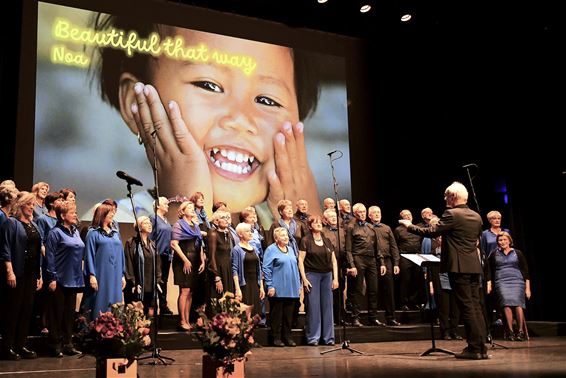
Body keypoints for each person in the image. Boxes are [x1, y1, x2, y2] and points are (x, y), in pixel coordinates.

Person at [91, 15, 322, 225]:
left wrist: (309, 219)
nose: (240, 119)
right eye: (209, 86)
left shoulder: (281, 227)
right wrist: (183, 207)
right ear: (136, 104)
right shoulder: (113, 219)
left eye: (267, 100)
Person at [399, 182, 486, 360]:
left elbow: (431, 231)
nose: (445, 199)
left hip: (459, 267)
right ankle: (481, 347)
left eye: (446, 196)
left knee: (467, 307)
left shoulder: (452, 214)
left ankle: (474, 348)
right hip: (474, 266)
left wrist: (409, 226)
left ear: (453, 197)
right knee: (475, 307)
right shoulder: (476, 216)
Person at [0, 192, 43, 360]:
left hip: (31, 273)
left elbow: (37, 251)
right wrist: (9, 271)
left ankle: (21, 344)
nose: (32, 207)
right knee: (13, 310)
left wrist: (39, 274)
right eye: (29, 204)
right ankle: (7, 346)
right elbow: (5, 248)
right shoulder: (12, 223)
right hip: (17, 273)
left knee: (26, 310)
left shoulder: (34, 225)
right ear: (20, 206)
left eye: (33, 204)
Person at [44, 202, 84, 357]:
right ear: (62, 216)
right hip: (59, 279)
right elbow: (50, 256)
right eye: (72, 212)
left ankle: (68, 343)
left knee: (69, 314)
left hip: (73, 279)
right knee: (56, 314)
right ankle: (55, 344)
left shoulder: (75, 231)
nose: (75, 214)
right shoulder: (55, 233)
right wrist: (52, 277)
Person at [298, 216, 338, 345]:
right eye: (315, 223)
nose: (318, 224)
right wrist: (304, 279)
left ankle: (328, 338)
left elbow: (334, 261)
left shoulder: (326, 240)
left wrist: (335, 278)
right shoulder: (306, 240)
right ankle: (313, 338)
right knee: (313, 306)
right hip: (312, 275)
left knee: (327, 307)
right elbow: (300, 261)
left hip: (327, 275)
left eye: (320, 222)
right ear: (310, 226)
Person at [83, 203, 126, 320]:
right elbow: (89, 255)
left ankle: (116, 331)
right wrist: (92, 275)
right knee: (100, 301)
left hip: (116, 274)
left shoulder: (115, 233)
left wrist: (122, 275)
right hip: (101, 274)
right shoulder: (93, 233)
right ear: (102, 215)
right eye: (110, 212)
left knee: (116, 304)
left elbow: (121, 254)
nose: (113, 214)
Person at [486, 231, 531, 341]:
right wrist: (489, 282)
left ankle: (520, 332)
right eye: (500, 240)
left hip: (517, 281)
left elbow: (526, 271)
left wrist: (527, 288)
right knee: (506, 303)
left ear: (509, 241)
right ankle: (510, 331)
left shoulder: (517, 253)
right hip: (501, 281)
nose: (502, 242)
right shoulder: (494, 254)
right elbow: (488, 270)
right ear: (497, 242)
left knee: (518, 304)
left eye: (505, 239)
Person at [262, 227, 301, 347]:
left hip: (291, 288)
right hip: (278, 288)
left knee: (288, 316)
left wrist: (298, 285)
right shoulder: (271, 249)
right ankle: (276, 338)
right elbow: (266, 268)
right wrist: (270, 286)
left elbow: (295, 267)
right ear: (276, 238)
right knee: (277, 315)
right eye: (282, 235)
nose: (286, 237)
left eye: (286, 235)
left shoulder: (290, 249)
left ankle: (287, 337)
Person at [170, 201, 206, 330]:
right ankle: (182, 321)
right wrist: (185, 260)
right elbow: (174, 244)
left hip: (195, 260)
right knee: (184, 290)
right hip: (183, 261)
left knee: (190, 292)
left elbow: (199, 242)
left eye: (192, 208)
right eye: (189, 208)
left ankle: (187, 320)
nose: (192, 209)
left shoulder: (195, 225)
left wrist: (202, 260)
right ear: (182, 211)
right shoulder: (178, 225)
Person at [124, 216, 162, 315]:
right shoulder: (132, 243)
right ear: (139, 227)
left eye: (150, 223)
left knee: (148, 313)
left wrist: (157, 280)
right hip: (137, 285)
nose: (149, 225)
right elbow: (129, 263)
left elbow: (157, 263)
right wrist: (133, 282)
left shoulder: (152, 245)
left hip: (150, 284)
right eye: (146, 223)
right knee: (136, 313)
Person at [149, 196, 174, 315]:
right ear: (158, 205)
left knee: (164, 281)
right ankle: (152, 306)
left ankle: (163, 307)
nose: (168, 205)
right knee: (156, 281)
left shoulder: (165, 220)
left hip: (166, 255)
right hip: (156, 255)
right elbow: (149, 237)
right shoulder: (153, 218)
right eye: (165, 203)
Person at [208, 210, 236, 299]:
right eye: (223, 218)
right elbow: (211, 257)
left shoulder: (227, 234)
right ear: (216, 221)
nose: (226, 220)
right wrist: (217, 277)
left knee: (228, 301)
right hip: (218, 271)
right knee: (218, 299)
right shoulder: (213, 234)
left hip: (227, 270)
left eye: (227, 218)